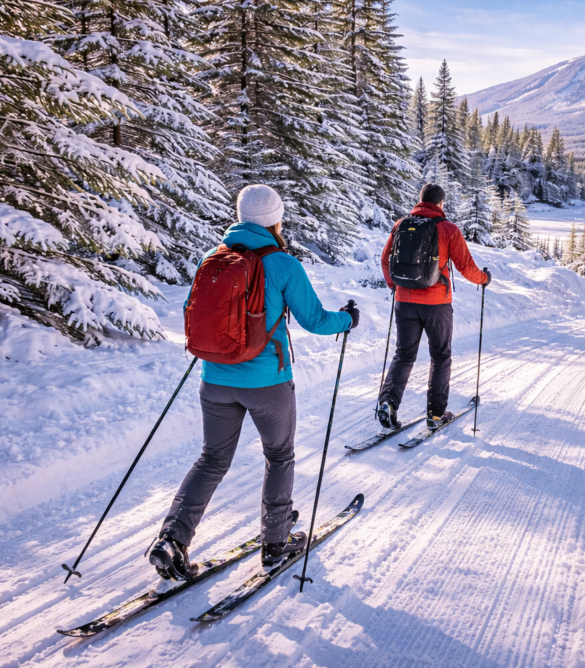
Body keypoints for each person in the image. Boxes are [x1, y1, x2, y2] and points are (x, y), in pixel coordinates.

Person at [149, 184, 359, 581]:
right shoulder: (283, 264)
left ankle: (172, 538)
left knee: (212, 459)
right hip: (267, 382)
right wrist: (348, 319)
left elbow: (192, 314)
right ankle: (276, 541)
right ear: (276, 220)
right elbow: (315, 320)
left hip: (214, 379)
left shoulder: (213, 258)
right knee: (279, 455)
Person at [377, 183, 490, 431]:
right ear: (440, 204)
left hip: (404, 301)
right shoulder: (448, 229)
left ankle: (387, 403)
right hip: (437, 304)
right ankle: (436, 414)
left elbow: (386, 260)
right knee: (440, 356)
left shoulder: (400, 225)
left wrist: (394, 286)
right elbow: (466, 267)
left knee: (403, 355)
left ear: (420, 201)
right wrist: (484, 279)